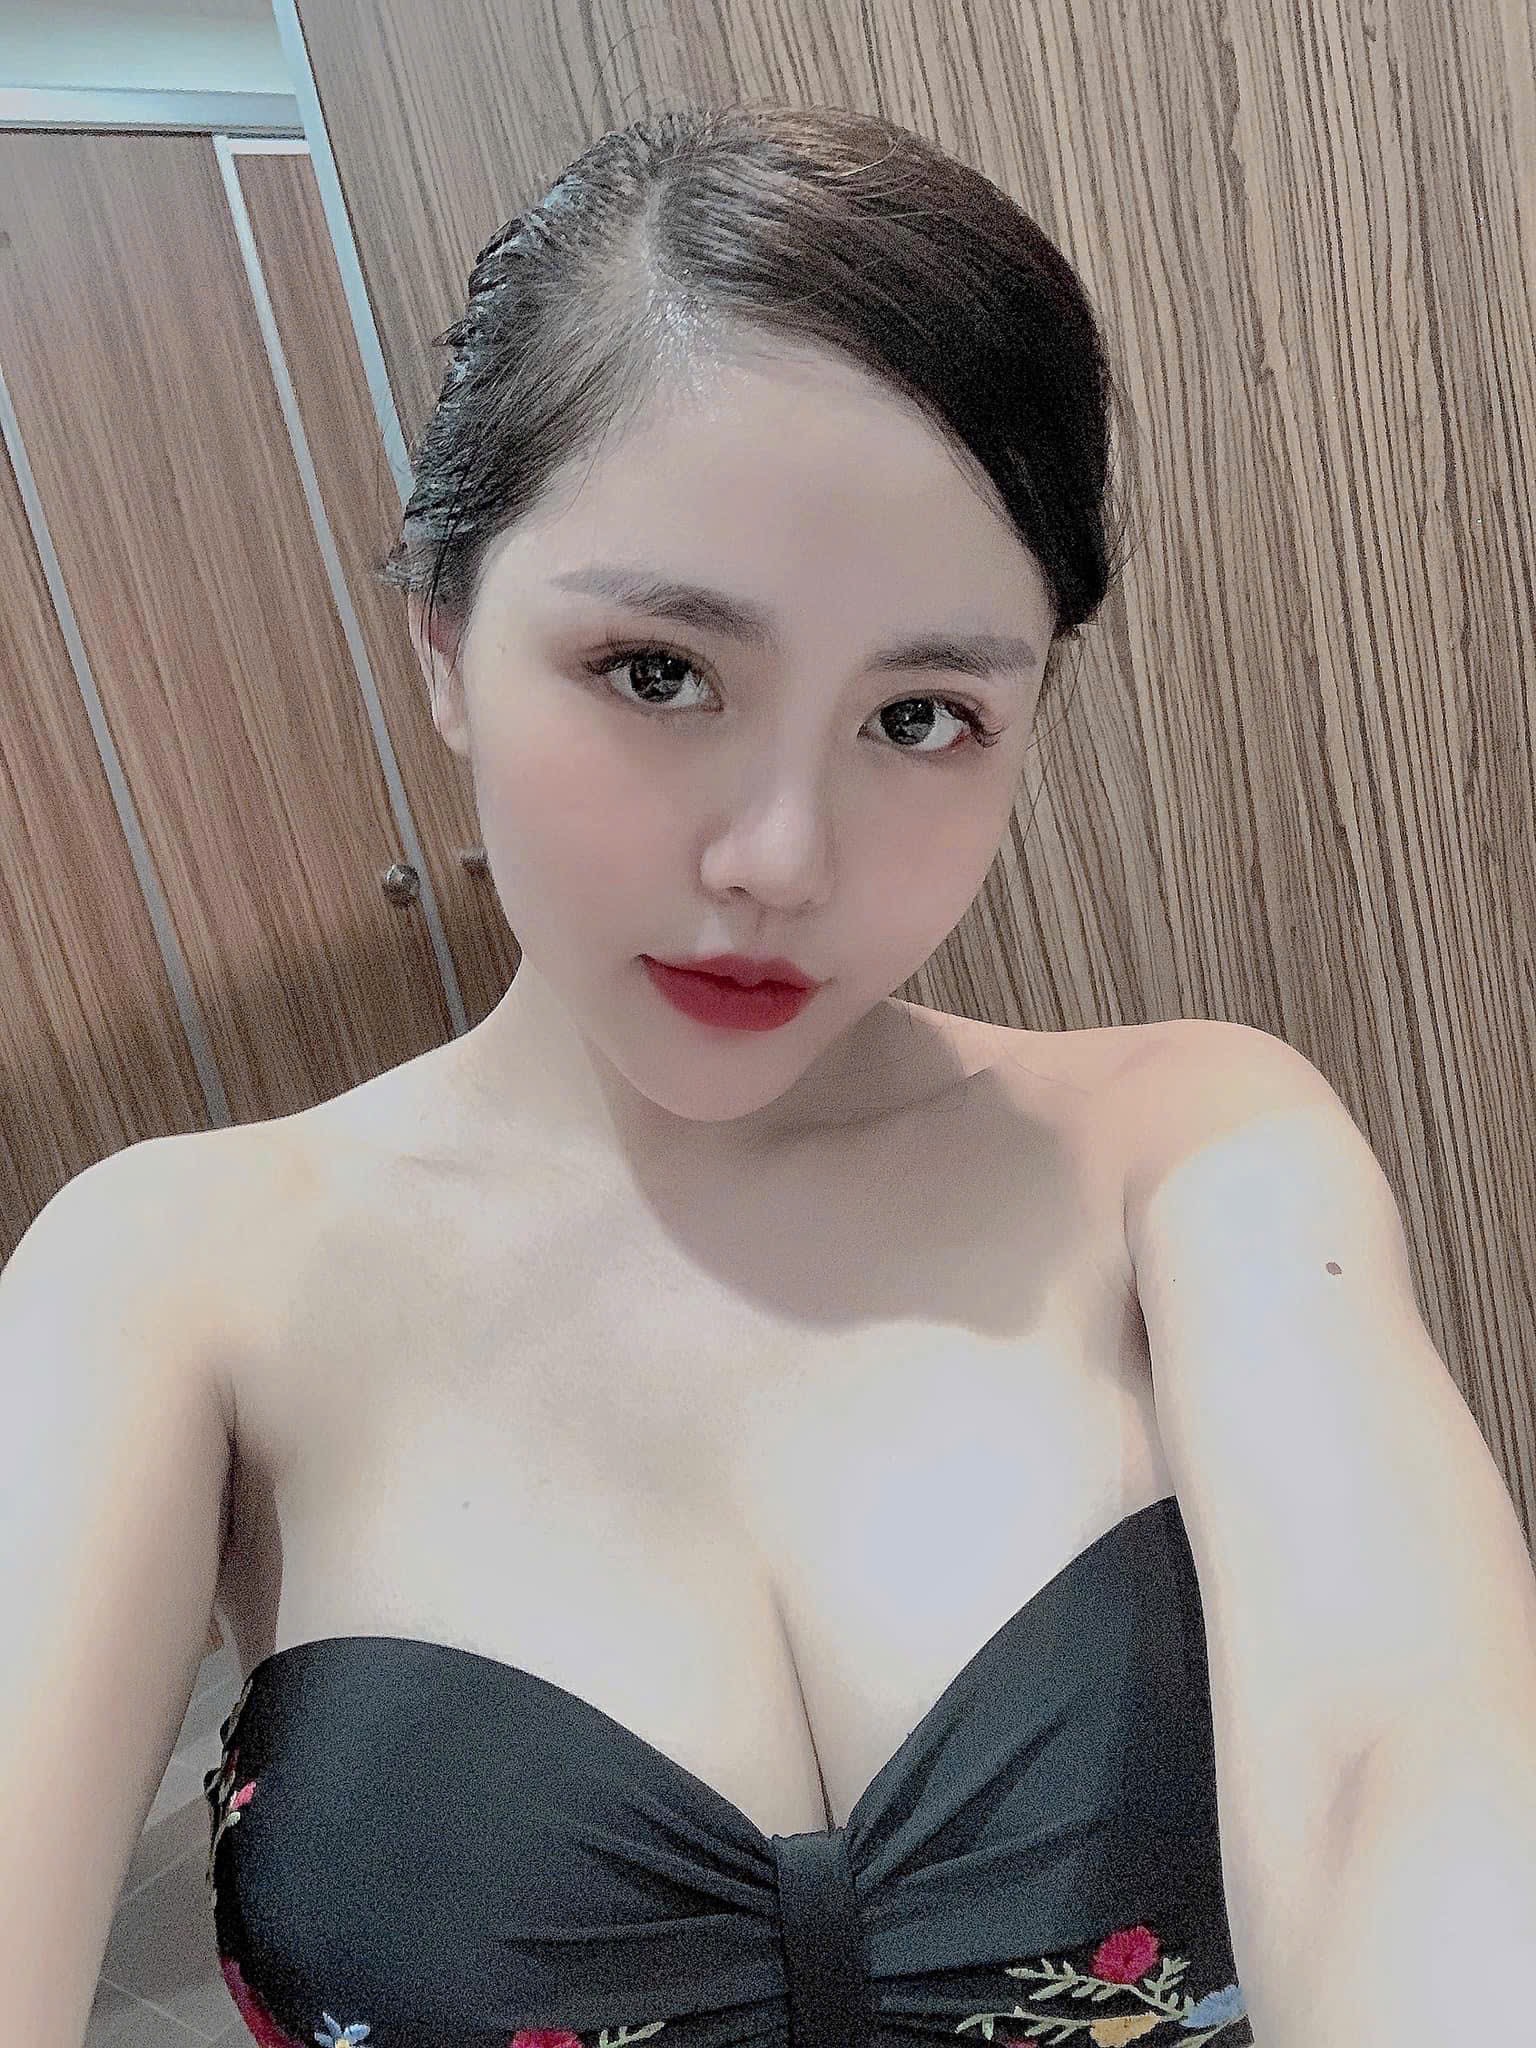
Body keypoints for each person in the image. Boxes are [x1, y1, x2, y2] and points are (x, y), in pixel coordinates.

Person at [2, 102, 1256, 2048]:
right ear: (444, 642)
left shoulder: (1193, 1149)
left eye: (923, 715)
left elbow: (1407, 1776)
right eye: (660, 671)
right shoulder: (166, 1274)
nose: (782, 859)